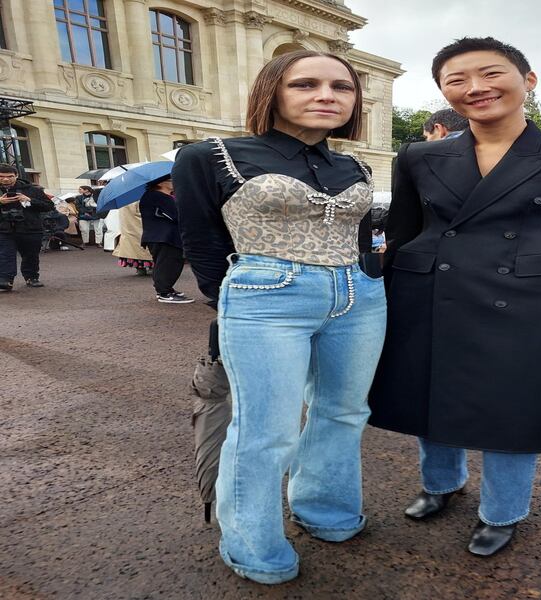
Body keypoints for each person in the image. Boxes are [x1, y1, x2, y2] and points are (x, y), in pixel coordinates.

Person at [368, 37, 541, 557]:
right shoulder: (418, 155)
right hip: (430, 289)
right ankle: (441, 483)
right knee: (429, 392)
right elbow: (407, 232)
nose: (475, 88)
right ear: (443, 92)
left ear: (527, 80)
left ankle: (503, 511)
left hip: (533, 297)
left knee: (514, 405)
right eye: (456, 80)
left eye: (490, 73)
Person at [172, 50, 386, 585]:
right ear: (274, 90)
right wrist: (227, 304)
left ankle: (327, 512)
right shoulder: (211, 155)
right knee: (265, 428)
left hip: (358, 293)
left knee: (344, 411)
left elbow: (361, 235)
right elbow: (200, 239)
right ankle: (252, 545)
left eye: (342, 87)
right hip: (266, 292)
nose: (326, 96)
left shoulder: (353, 165)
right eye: (306, 84)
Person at [0, 163, 54, 291]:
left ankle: (31, 277)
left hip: (30, 228)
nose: (6, 179)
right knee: (5, 254)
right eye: (1, 176)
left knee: (31, 255)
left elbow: (49, 206)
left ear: (16, 176)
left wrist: (29, 200)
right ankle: (5, 280)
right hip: (4, 229)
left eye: (10, 176)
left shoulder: (32, 190)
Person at [139, 178, 193, 303]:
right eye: (170, 180)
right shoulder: (158, 197)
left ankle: (165, 289)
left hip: (160, 236)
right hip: (164, 237)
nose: (173, 182)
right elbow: (177, 214)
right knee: (168, 264)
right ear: (160, 183)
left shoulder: (154, 196)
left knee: (166, 263)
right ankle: (164, 292)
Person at [112, 201, 153, 275]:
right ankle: (150, 266)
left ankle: (139, 267)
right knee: (146, 247)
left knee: (132, 248)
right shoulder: (140, 197)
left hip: (128, 229)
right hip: (141, 226)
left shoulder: (123, 201)